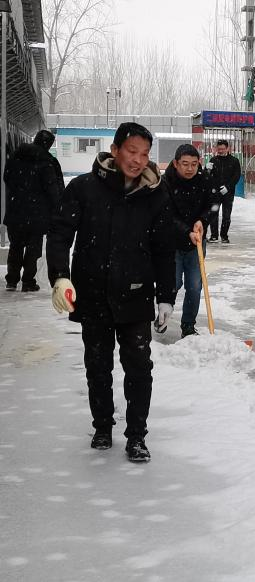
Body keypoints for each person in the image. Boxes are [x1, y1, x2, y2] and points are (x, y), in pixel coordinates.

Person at [46, 122, 176, 463]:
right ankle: (102, 425)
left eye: (144, 154)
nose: (137, 160)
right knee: (98, 364)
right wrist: (60, 276)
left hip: (136, 293)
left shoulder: (155, 194)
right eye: (131, 151)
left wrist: (165, 297)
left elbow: (163, 249)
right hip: (93, 293)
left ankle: (137, 435)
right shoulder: (84, 188)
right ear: (115, 150)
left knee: (139, 367)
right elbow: (60, 234)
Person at [162, 144, 221, 338]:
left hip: (196, 243)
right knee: (173, 283)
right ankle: (163, 315)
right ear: (175, 163)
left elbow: (214, 204)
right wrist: (186, 231)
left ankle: (188, 325)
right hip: (172, 243)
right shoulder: (166, 183)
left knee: (195, 286)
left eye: (194, 164)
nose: (190, 168)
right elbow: (167, 215)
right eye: (185, 164)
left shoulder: (205, 179)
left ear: (199, 163)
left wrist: (202, 220)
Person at [3, 130, 64, 292]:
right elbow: (53, 189)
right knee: (33, 248)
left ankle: (12, 280)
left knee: (15, 246)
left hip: (15, 210)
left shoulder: (16, 156)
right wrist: (58, 208)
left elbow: (6, 177)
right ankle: (28, 281)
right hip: (37, 214)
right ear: (48, 145)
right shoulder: (47, 162)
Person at [207, 139, 241, 244]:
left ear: (227, 148)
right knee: (213, 214)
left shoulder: (234, 161)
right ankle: (214, 236)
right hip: (215, 193)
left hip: (228, 194)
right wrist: (207, 169)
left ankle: (224, 236)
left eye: (223, 149)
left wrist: (228, 187)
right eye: (219, 149)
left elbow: (236, 176)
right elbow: (207, 176)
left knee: (226, 215)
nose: (220, 151)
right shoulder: (213, 160)